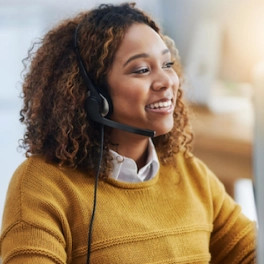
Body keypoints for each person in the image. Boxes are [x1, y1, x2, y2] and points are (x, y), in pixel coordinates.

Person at [0, 2, 256, 264]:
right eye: (142, 69)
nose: (166, 80)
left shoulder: (189, 173)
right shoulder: (41, 186)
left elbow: (251, 254)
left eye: (167, 64)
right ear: (93, 96)